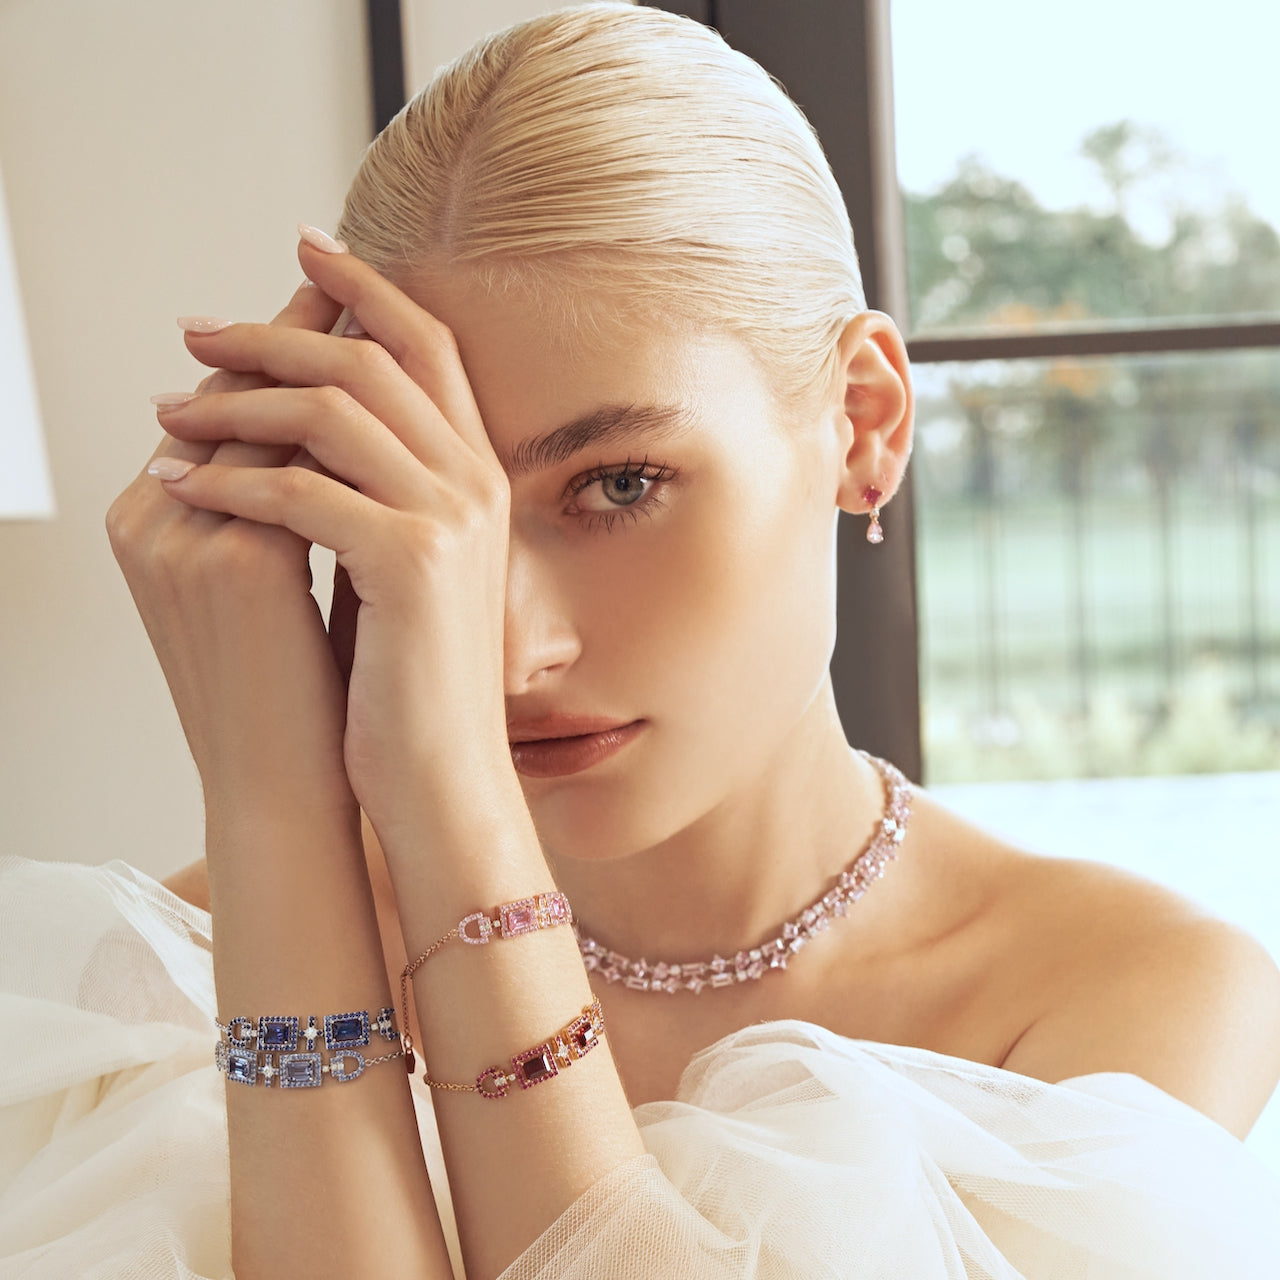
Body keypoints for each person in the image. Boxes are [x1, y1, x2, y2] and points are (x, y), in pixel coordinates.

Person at [3, 4, 1280, 1277]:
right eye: (432, 509)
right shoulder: (189, 957)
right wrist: (279, 810)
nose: (510, 650)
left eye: (617, 484)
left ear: (862, 421)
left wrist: (448, 812)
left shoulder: (1123, 999)